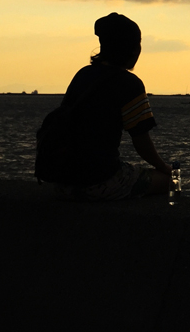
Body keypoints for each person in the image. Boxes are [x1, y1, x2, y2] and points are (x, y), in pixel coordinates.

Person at [35, 12, 173, 200]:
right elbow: (141, 141)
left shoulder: (83, 75)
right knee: (172, 182)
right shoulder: (129, 83)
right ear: (133, 49)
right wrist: (164, 167)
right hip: (98, 182)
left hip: (62, 182)